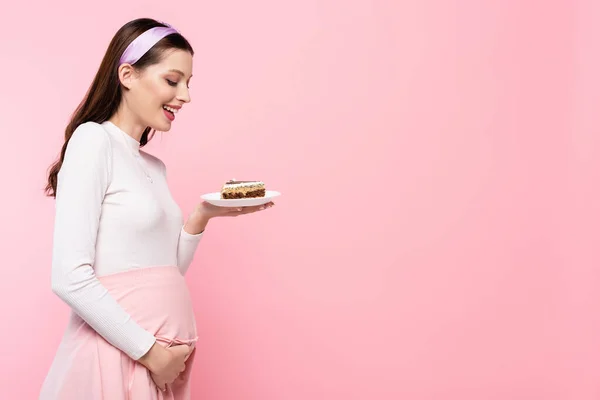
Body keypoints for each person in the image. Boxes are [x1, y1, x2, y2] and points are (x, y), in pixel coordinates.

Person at [39, 17, 273, 399]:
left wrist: (201, 217)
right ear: (128, 75)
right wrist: (151, 353)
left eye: (188, 84)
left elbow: (163, 274)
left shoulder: (154, 167)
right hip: (112, 360)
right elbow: (69, 277)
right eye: (172, 80)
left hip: (151, 367)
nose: (185, 96)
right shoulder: (93, 141)